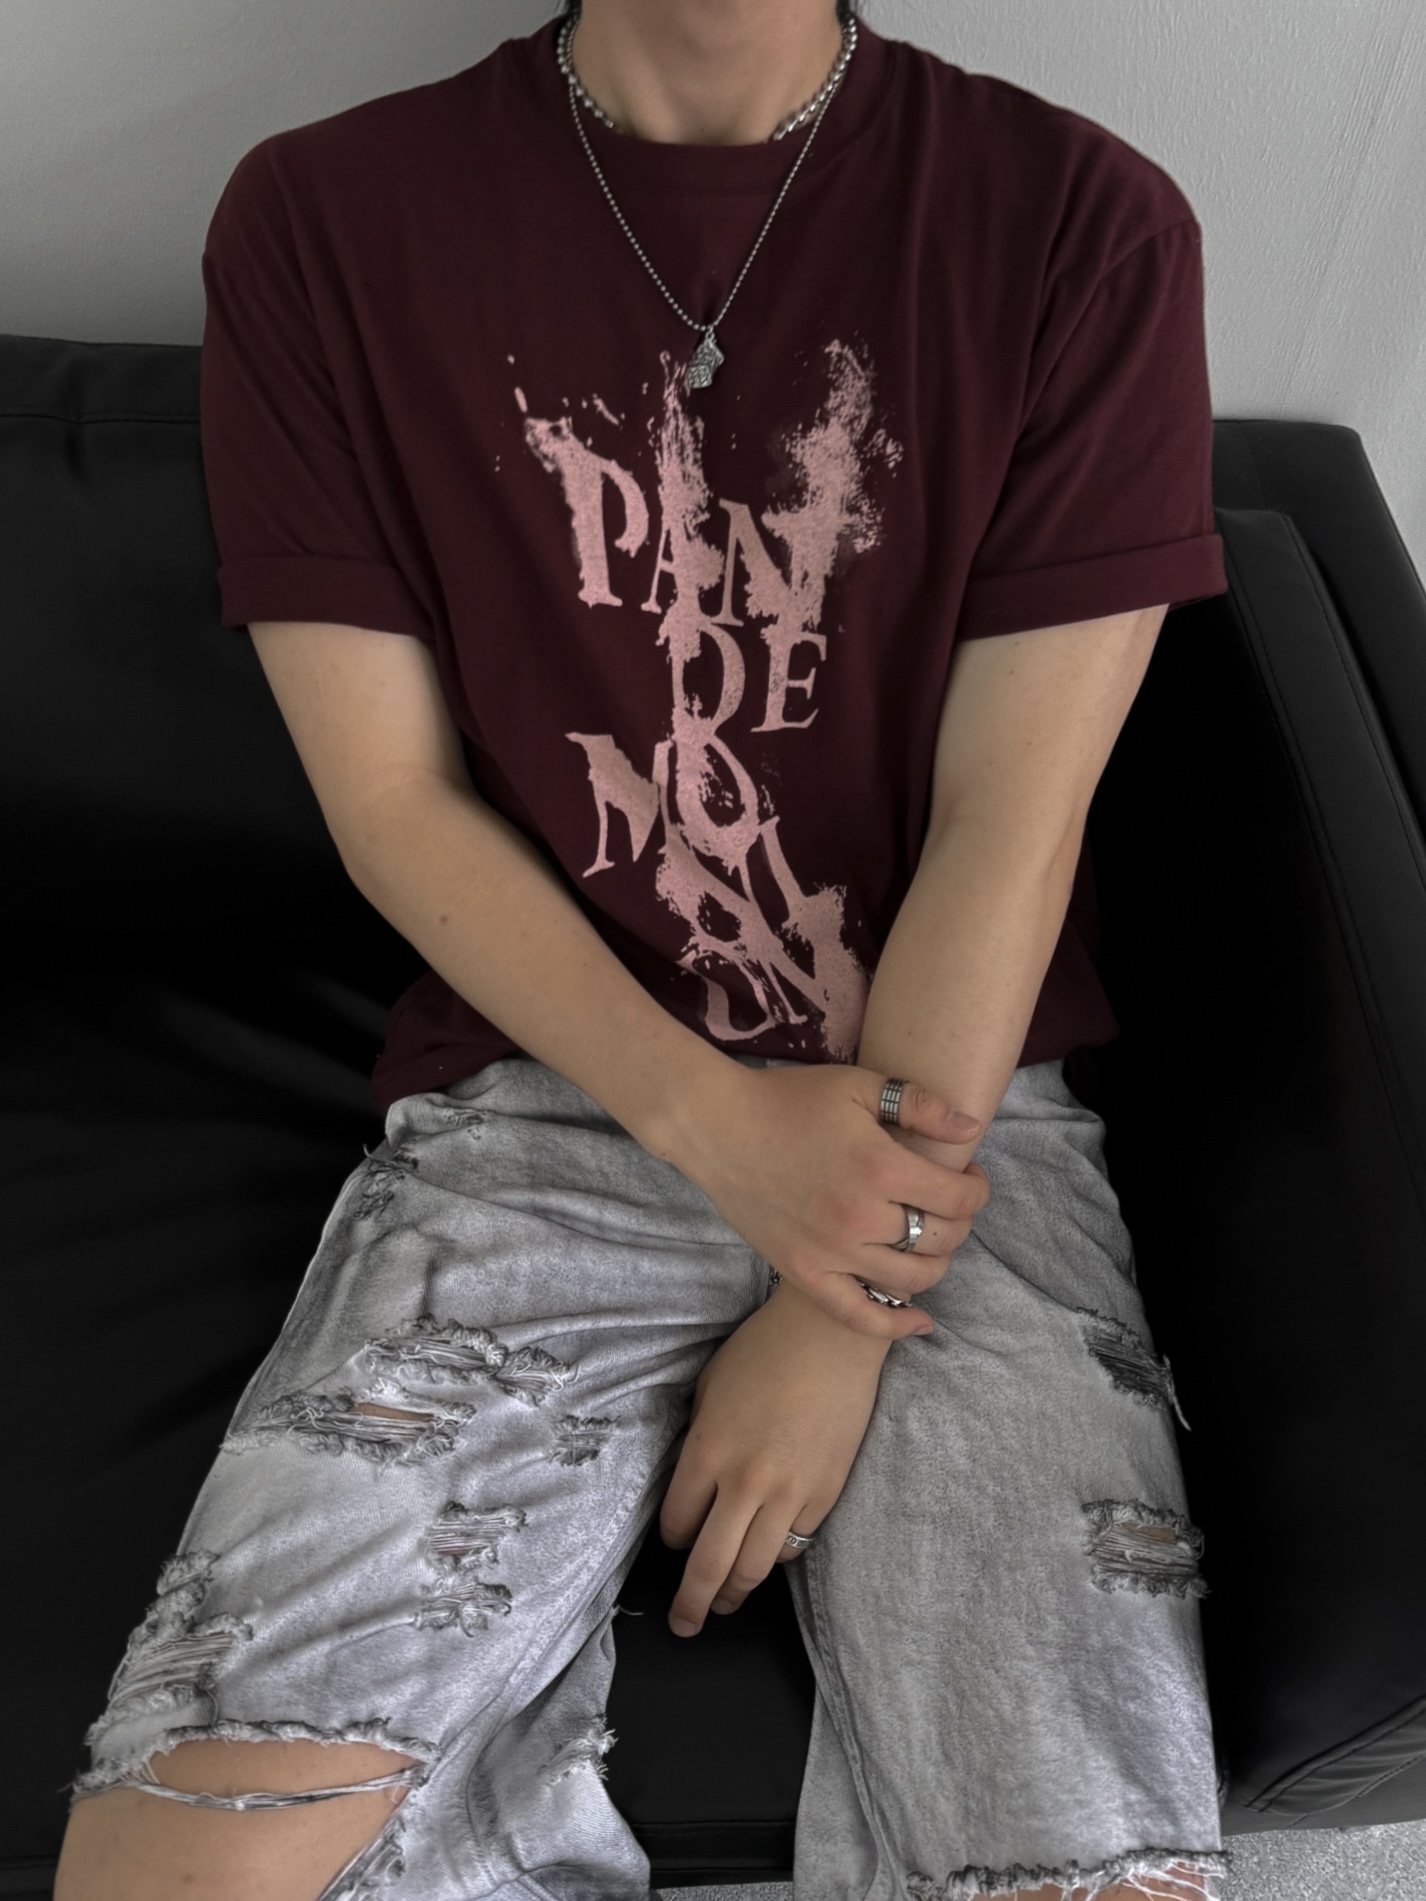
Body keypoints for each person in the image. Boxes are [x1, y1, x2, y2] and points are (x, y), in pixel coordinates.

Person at [54, 2, 1236, 1897]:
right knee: (184, 1869)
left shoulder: (1079, 220)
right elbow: (393, 802)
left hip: (957, 1116)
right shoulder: (328, 217)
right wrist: (716, 1130)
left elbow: (1007, 824)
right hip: (550, 1096)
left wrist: (839, 1304)